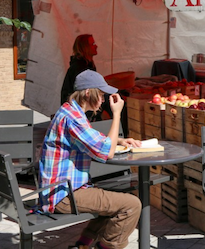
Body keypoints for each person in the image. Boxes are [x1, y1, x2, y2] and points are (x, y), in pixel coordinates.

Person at [40, 70, 142, 249]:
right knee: (132, 205)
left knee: (116, 201)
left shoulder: (69, 110)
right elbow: (107, 153)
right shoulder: (74, 119)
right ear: (88, 93)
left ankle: (82, 245)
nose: (103, 99)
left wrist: (118, 140)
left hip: (61, 190)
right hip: (63, 195)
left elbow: (91, 139)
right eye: (101, 94)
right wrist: (117, 114)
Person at [61, 34, 98, 105]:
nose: (96, 46)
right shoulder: (80, 68)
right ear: (85, 47)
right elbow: (84, 94)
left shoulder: (86, 65)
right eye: (93, 44)